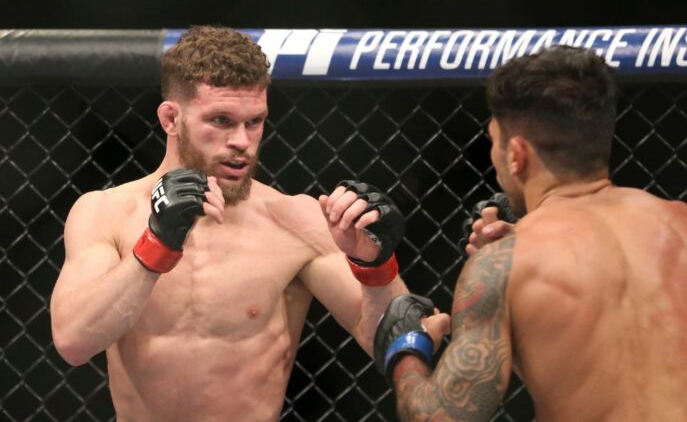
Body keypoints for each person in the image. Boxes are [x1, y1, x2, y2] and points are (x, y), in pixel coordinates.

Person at [50, 26, 437, 421]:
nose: (242, 141)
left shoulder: (293, 220)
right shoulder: (105, 212)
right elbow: (73, 341)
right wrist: (156, 245)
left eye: (254, 122)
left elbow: (389, 341)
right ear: (171, 118)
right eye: (221, 120)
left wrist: (375, 265)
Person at [373, 45, 687, 421]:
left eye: (493, 142)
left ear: (516, 155)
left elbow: (438, 417)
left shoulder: (506, 263)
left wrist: (405, 347)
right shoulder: (685, 228)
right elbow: (625, 370)